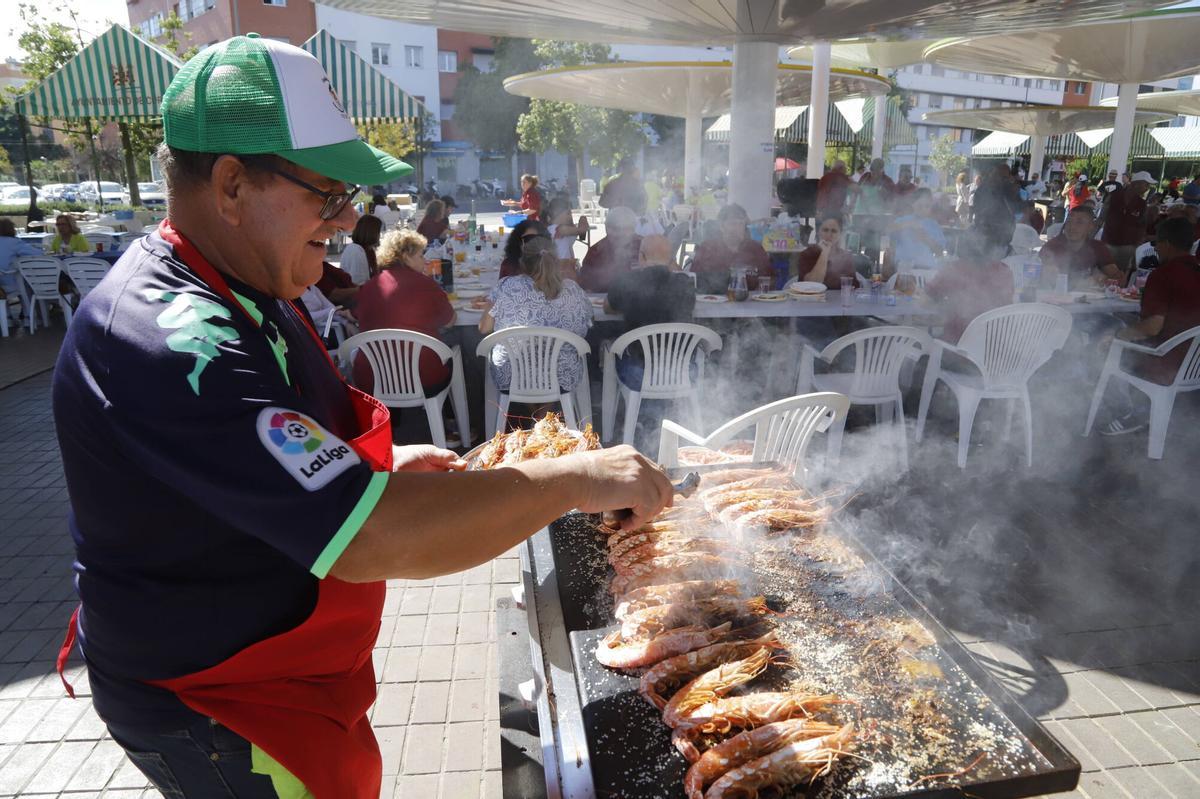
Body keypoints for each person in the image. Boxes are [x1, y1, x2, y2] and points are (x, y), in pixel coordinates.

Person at [50, 35, 670, 799]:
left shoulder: (249, 282)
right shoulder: (174, 337)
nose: (347, 218)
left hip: (285, 666)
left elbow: (270, 453)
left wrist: (378, 465)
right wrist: (575, 477)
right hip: (219, 702)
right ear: (232, 184)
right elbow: (371, 536)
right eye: (326, 192)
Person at [1100, 216, 1200, 435]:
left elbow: (1153, 327)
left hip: (1167, 364)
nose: (1156, 250)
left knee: (1107, 345)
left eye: (1157, 245)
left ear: (1166, 244)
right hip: (1195, 365)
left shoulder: (1163, 275)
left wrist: (1117, 336)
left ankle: (1137, 412)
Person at [480, 236, 594, 392]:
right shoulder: (573, 289)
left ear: (523, 263)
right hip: (562, 379)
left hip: (511, 380)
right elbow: (589, 321)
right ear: (556, 261)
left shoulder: (505, 286)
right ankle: (548, 405)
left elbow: (485, 328)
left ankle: (527, 404)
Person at [353, 229, 455, 395]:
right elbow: (450, 321)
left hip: (372, 378)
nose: (425, 260)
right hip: (422, 377)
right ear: (406, 257)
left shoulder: (370, 286)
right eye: (421, 256)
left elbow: (361, 317)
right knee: (456, 344)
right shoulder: (425, 284)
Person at [605, 234, 697, 384]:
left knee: (611, 346)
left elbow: (607, 308)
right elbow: (688, 306)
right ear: (671, 260)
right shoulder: (685, 283)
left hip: (639, 373)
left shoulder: (625, 281)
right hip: (682, 372)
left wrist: (631, 305)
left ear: (641, 256)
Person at [925, 223, 1016, 343]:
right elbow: (1007, 306)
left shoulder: (955, 269)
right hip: (995, 346)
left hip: (958, 345)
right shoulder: (1004, 271)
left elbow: (927, 298)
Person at [689, 203, 770, 294]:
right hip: (714, 300)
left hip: (750, 300)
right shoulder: (708, 249)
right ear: (721, 226)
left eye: (741, 224)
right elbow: (694, 279)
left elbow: (770, 278)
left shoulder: (755, 249)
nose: (738, 228)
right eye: (733, 224)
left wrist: (758, 293)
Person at [1038, 210, 1119, 289]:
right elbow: (1036, 273)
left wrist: (1103, 278)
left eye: (1079, 222)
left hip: (1090, 295)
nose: (1072, 227)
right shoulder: (1052, 246)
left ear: (1090, 227)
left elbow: (1117, 278)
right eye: (1069, 222)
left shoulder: (1097, 248)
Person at [578, 206, 642, 293]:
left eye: (626, 229)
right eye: (615, 228)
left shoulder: (644, 246)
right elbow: (585, 281)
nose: (620, 233)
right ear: (606, 228)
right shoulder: (596, 250)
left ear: (633, 229)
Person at [1101, 170, 1153, 274]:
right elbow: (1101, 218)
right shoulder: (1114, 196)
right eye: (1146, 185)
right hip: (1108, 244)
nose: (1148, 188)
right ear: (1136, 184)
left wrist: (1137, 248)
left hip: (1128, 247)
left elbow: (1142, 227)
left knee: (1121, 275)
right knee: (1103, 274)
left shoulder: (1142, 204)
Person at [795, 214, 862, 290]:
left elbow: (854, 288)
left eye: (834, 231)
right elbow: (811, 286)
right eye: (825, 230)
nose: (829, 235)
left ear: (840, 235)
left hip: (838, 298)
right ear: (818, 232)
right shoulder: (807, 254)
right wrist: (824, 254)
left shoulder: (846, 257)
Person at [887, 188, 946, 269]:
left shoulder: (933, 225)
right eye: (919, 206)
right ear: (913, 204)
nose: (923, 209)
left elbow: (939, 252)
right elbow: (888, 230)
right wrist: (908, 224)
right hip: (904, 266)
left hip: (926, 266)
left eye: (927, 206)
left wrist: (926, 239)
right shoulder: (903, 220)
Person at [544, 196, 590, 276]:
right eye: (568, 213)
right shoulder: (556, 229)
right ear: (558, 213)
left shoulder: (566, 230)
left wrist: (581, 220)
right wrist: (582, 219)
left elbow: (582, 233)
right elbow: (582, 230)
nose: (570, 216)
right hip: (560, 270)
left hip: (567, 268)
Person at [0, 218, 41, 303]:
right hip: (8, 283)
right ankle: (29, 309)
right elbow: (38, 254)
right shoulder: (13, 242)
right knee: (29, 281)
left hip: (2, 282)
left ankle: (7, 312)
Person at [340, 212, 383, 285]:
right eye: (378, 232)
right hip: (356, 290)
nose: (379, 236)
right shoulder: (356, 251)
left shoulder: (367, 249)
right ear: (372, 233)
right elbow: (358, 282)